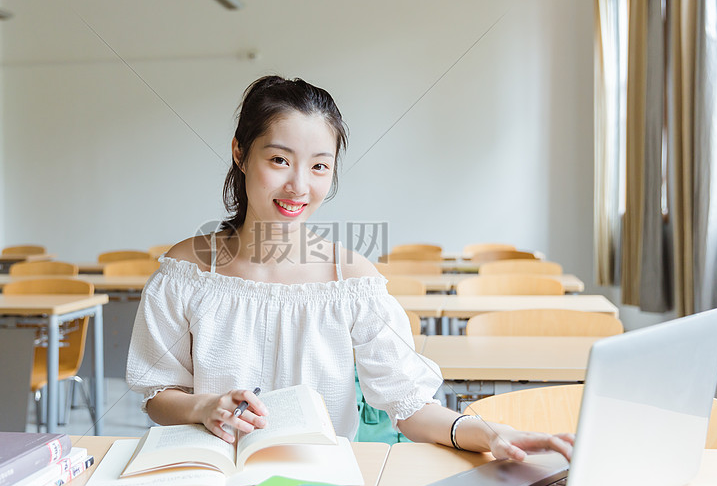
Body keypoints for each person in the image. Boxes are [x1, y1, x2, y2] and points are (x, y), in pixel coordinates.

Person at [126, 75, 573, 461]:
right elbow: (158, 394)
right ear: (240, 155)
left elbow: (411, 407)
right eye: (279, 160)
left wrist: (490, 434)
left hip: (318, 483)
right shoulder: (185, 272)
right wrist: (203, 407)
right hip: (208, 476)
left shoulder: (349, 279)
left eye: (320, 166)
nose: (299, 185)